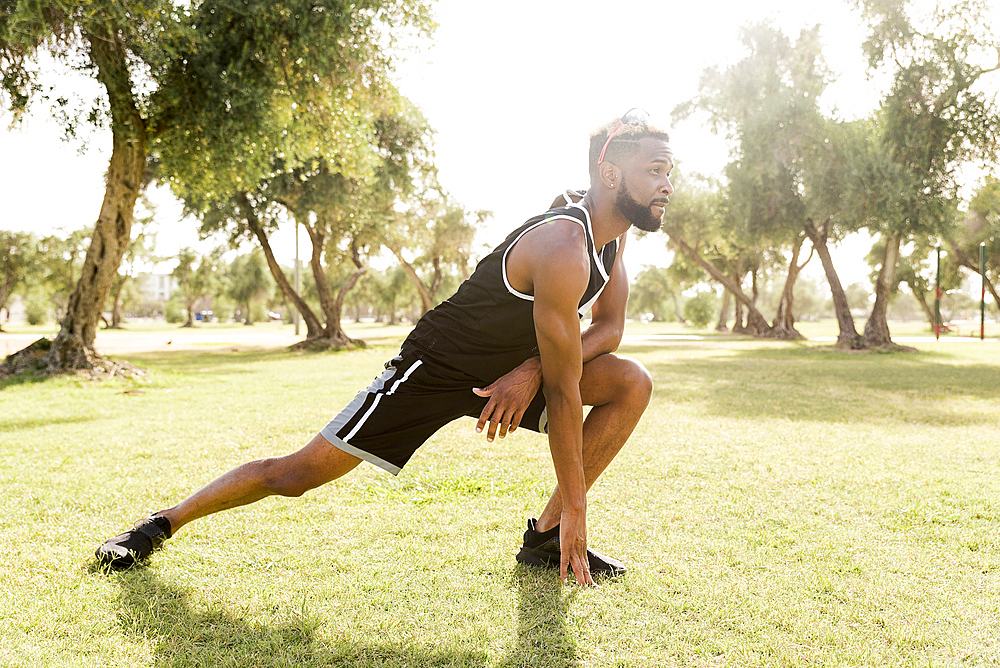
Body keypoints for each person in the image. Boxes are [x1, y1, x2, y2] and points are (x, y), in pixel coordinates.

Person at [96, 110, 675, 587]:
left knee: (630, 380)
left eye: (668, 172)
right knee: (298, 474)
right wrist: (581, 505)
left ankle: (545, 540)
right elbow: (568, 388)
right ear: (610, 173)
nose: (666, 185)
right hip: (436, 366)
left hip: (506, 376)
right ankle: (160, 524)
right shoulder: (563, 244)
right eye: (654, 171)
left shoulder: (612, 245)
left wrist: (527, 371)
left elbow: (610, 331)